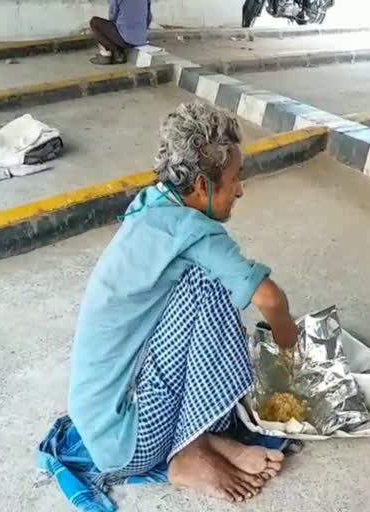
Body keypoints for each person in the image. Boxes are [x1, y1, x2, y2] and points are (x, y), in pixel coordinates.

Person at [67, 101, 298, 502]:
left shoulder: (155, 203)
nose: (241, 190)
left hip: (98, 421)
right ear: (204, 187)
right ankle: (188, 452)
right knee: (209, 282)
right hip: (130, 441)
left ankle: (201, 439)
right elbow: (270, 299)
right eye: (235, 179)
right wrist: (290, 351)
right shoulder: (194, 231)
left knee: (201, 276)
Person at [89, 0, 152, 65]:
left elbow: (112, 16)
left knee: (94, 22)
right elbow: (149, 17)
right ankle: (117, 52)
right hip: (141, 40)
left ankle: (114, 52)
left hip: (124, 39)